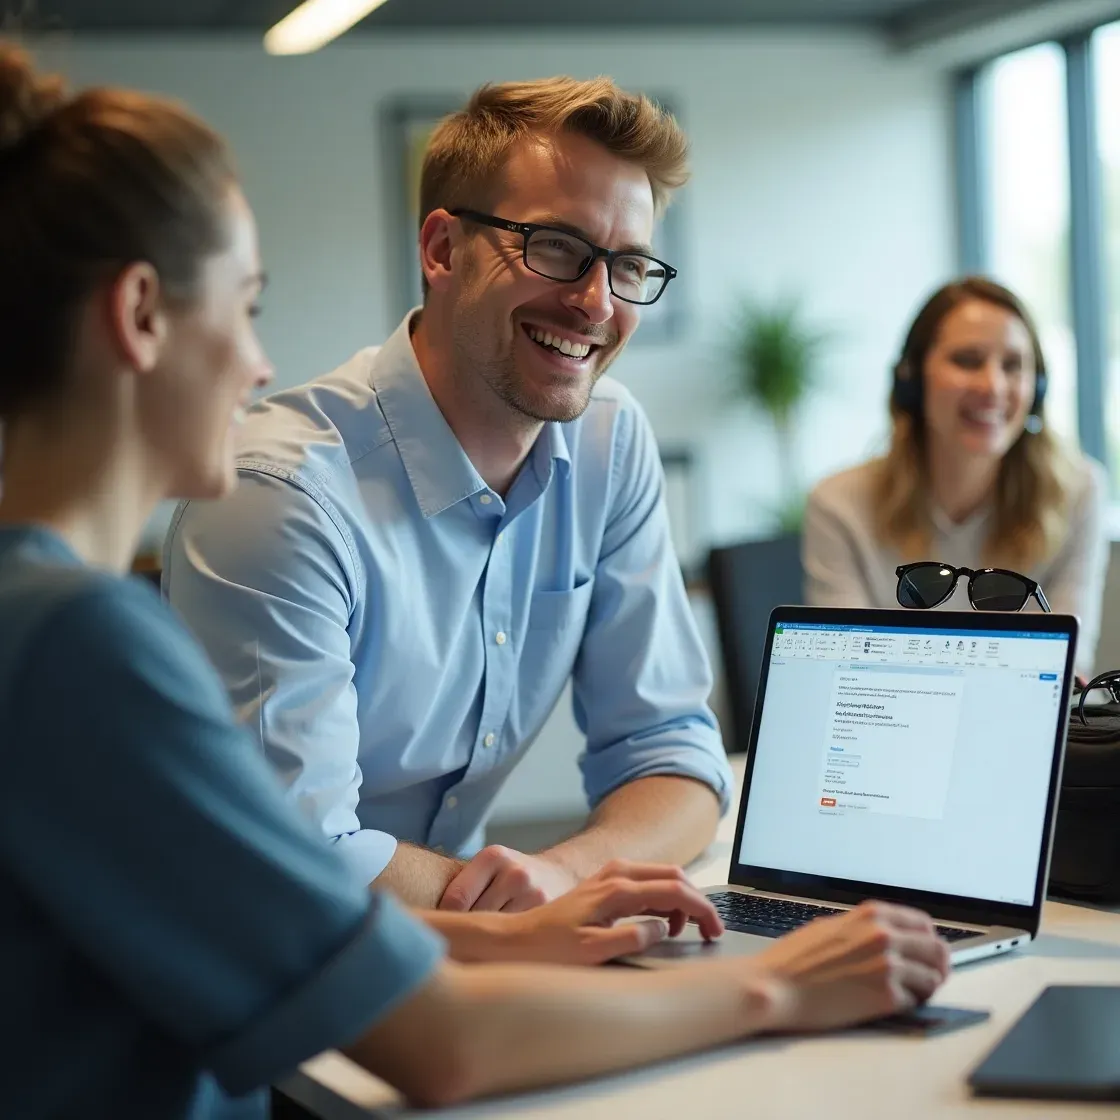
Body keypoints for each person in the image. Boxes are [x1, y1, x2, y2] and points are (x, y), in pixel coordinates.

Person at [0, 45, 951, 1117]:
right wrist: (777, 982)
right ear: (139, 315)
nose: (261, 362)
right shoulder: (81, 640)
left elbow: (665, 760)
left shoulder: (51, 622)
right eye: (249, 303)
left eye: (625, 265)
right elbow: (429, 1032)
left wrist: (538, 907)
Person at [165, 77, 735, 912]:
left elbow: (675, 754)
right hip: (249, 967)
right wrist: (542, 908)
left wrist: (569, 874)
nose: (595, 302)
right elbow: (299, 858)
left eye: (629, 265)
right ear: (441, 249)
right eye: (555, 247)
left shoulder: (608, 441)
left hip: (452, 931)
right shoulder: (277, 494)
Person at [804, 276, 1107, 676]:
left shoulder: (1078, 491)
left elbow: (1067, 668)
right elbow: (846, 674)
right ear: (912, 381)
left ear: (1037, 389)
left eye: (1013, 365)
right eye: (967, 360)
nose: (993, 386)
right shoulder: (839, 505)